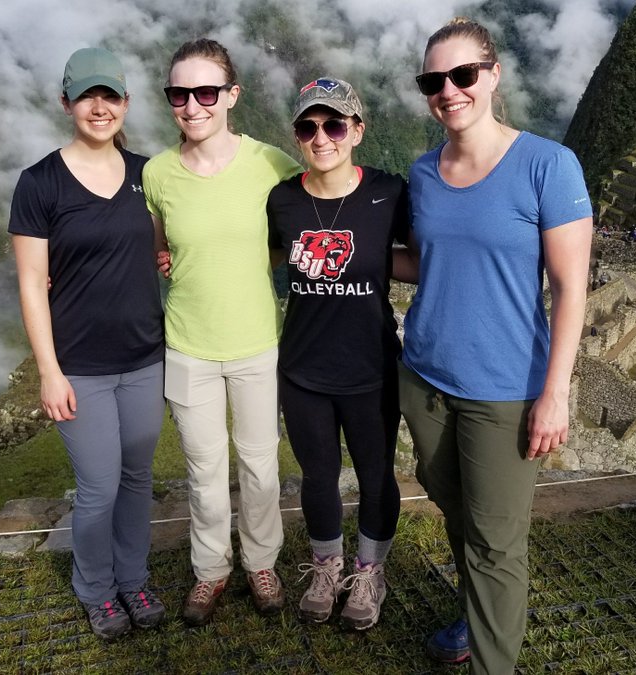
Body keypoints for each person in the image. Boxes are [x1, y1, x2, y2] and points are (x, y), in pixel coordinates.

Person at [400, 17, 592, 672]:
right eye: (435, 79)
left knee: (496, 542)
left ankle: (492, 660)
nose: (449, 90)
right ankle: (475, 615)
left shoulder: (548, 165)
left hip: (506, 389)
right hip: (425, 379)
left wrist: (555, 392)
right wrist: (338, 255)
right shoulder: (422, 172)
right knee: (458, 513)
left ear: (493, 75)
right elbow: (431, 263)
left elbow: (571, 287)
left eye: (463, 75)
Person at [143, 38, 302, 627]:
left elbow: (304, 221)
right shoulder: (157, 174)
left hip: (256, 341)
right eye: (179, 93)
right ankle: (211, 569)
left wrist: (267, 259)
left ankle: (262, 562)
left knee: (259, 465)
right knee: (203, 468)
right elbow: (160, 244)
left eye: (205, 91)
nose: (192, 105)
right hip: (188, 346)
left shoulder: (270, 164)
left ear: (231, 96)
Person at [8, 47, 165, 640]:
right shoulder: (40, 182)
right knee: (98, 485)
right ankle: (96, 590)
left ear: (127, 103)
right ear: (66, 101)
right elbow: (30, 281)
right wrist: (49, 371)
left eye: (112, 96)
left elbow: (161, 242)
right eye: (88, 96)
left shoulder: (148, 175)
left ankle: (134, 579)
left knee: (136, 478)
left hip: (146, 356)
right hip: (81, 365)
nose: (100, 108)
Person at [265, 77, 409, 630]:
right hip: (303, 368)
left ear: (357, 131)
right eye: (308, 126)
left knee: (376, 476)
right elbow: (265, 257)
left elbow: (424, 256)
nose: (321, 137)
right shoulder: (283, 199)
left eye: (334, 125)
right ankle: (327, 566)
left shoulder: (389, 193)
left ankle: (369, 572)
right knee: (317, 476)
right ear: (298, 135)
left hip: (370, 367)